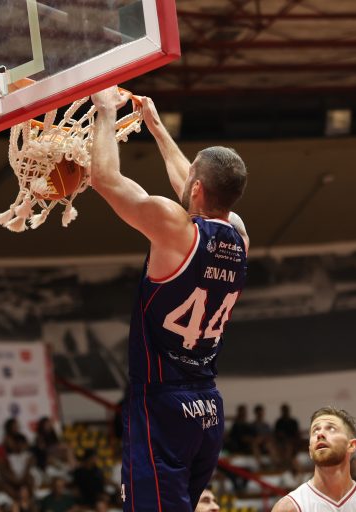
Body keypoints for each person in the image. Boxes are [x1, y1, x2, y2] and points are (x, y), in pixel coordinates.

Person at [90, 87, 249, 511]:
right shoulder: (239, 236)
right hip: (207, 407)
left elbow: (104, 179)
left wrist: (105, 112)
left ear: (197, 187)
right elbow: (193, 190)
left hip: (162, 404)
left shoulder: (173, 228)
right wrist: (157, 129)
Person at [270, 406, 356, 512]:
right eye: (315, 430)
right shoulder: (288, 507)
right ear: (310, 451)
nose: (320, 434)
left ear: (351, 445)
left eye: (331, 429)